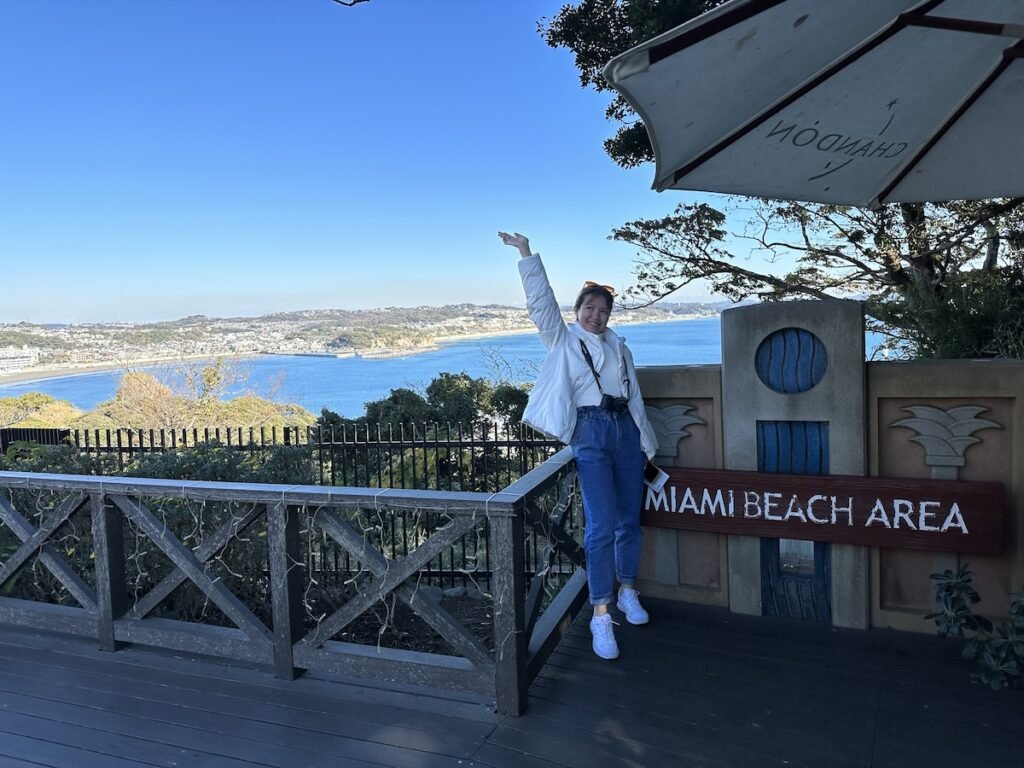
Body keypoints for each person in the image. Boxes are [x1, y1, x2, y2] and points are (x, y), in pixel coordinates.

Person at [498, 231, 658, 660]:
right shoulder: (564, 340)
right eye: (589, 308)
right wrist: (527, 254)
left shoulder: (620, 347)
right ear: (578, 311)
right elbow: (541, 306)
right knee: (601, 525)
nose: (596, 315)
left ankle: (627, 589)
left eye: (603, 310)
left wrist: (646, 441)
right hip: (590, 431)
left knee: (630, 520)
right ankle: (601, 613)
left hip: (624, 430)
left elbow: (635, 397)